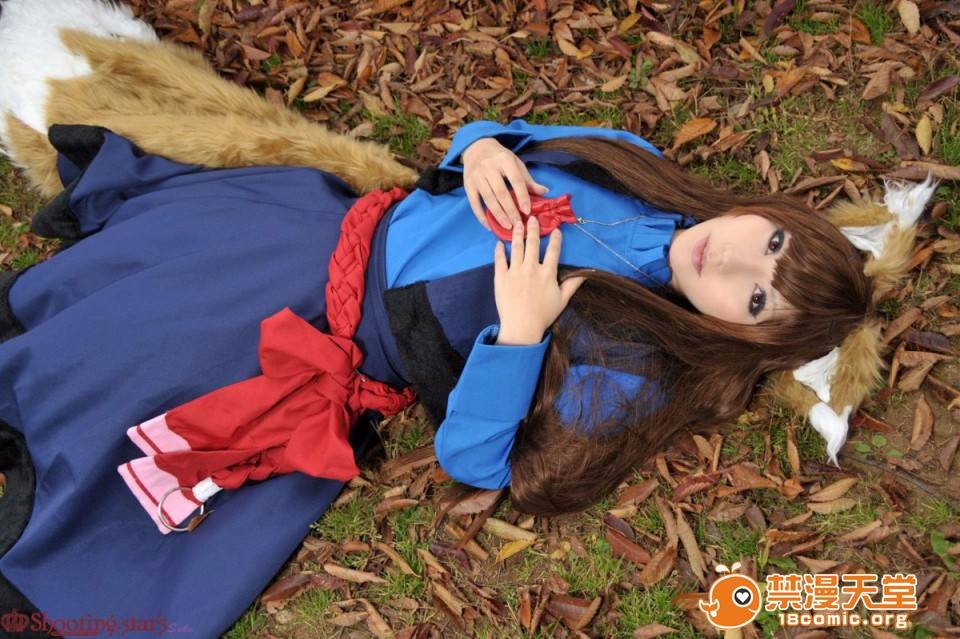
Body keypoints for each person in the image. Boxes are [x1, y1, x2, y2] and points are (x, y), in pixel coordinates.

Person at [0, 0, 918, 635]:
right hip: (318, 221)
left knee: (131, 361)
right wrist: (480, 151)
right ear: (771, 212)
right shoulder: (641, 169)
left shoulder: (632, 365)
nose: (737, 261)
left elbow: (483, 463)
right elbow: (509, 138)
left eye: (754, 298)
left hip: (329, 328)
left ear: (742, 336)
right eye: (772, 244)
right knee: (134, 278)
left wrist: (518, 334)